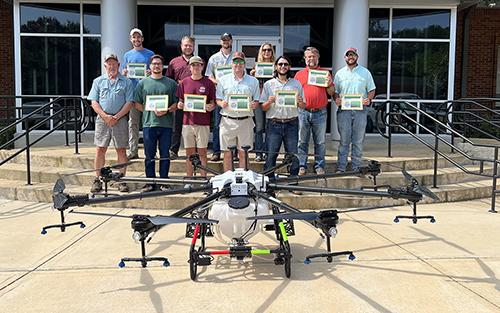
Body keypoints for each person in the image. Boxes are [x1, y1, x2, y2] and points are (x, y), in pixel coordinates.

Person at [88, 53, 134, 193]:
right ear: (105, 65)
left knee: (121, 149)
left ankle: (121, 179)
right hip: (103, 120)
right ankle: (97, 179)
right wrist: (105, 116)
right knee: (100, 149)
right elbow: (94, 102)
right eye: (109, 63)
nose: (112, 66)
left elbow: (129, 102)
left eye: (114, 63)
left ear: (118, 65)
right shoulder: (98, 81)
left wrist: (117, 117)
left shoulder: (126, 82)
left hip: (120, 120)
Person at [133, 54, 178, 192]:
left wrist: (167, 110)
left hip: (166, 125)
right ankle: (150, 182)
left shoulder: (171, 83)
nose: (156, 66)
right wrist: (150, 110)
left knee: (165, 154)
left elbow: (176, 103)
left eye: (159, 63)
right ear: (150, 66)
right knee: (149, 155)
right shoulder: (143, 83)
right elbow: (137, 103)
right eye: (154, 64)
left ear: (162, 66)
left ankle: (164, 181)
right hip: (149, 124)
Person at [260, 55, 305, 184]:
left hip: (292, 123)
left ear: (289, 67)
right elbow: (263, 107)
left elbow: (303, 105)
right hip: (274, 124)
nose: (283, 67)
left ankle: (293, 182)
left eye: (285, 64)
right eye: (280, 64)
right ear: (276, 67)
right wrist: (269, 101)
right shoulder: (269, 84)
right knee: (271, 154)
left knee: (293, 154)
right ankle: (269, 182)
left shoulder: (296, 84)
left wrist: (300, 102)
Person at [216, 51, 260, 172]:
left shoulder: (253, 81)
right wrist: (221, 103)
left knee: (243, 153)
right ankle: (228, 181)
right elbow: (218, 99)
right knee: (227, 153)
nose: (238, 64)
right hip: (227, 121)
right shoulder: (223, 80)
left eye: (240, 62)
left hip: (245, 121)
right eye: (235, 62)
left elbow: (256, 101)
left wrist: (253, 104)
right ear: (232, 64)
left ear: (244, 64)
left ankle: (244, 182)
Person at [334, 47, 376, 172]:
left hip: (360, 111)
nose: (350, 57)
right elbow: (335, 92)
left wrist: (368, 99)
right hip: (344, 111)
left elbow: (372, 90)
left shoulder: (365, 72)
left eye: (353, 55)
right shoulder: (339, 73)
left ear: (357, 57)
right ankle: (341, 167)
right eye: (348, 55)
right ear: (345, 57)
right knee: (344, 141)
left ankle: (356, 168)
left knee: (358, 141)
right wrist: (336, 99)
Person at [295, 46, 335, 175]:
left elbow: (331, 92)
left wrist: (329, 84)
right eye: (308, 56)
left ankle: (319, 166)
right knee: (302, 141)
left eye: (313, 56)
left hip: (320, 112)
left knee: (320, 142)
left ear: (318, 58)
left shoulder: (325, 73)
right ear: (305, 59)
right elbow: (294, 92)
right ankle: (302, 165)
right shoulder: (299, 74)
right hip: (303, 111)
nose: (311, 59)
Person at [176, 56, 216, 177]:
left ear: (202, 67)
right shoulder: (184, 82)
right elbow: (180, 101)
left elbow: (213, 103)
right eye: (193, 65)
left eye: (198, 65)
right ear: (189, 67)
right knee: (190, 153)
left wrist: (211, 106)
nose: (196, 67)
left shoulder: (208, 83)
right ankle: (189, 179)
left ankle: (203, 179)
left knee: (202, 153)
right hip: (188, 123)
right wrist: (180, 104)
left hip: (203, 123)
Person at [122, 28, 155, 160]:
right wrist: (124, 73)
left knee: (150, 124)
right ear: (131, 40)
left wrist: (150, 73)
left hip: (147, 93)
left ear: (142, 39)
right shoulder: (127, 55)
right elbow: (125, 72)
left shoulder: (150, 54)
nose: (136, 40)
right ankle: (133, 150)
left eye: (138, 37)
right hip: (133, 95)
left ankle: (151, 152)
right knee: (133, 123)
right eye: (134, 37)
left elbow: (155, 70)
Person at [205, 33, 234, 162]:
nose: (226, 42)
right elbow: (208, 75)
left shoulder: (236, 56)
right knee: (217, 124)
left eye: (228, 39)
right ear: (220, 42)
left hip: (234, 96)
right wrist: (218, 82)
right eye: (224, 40)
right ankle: (216, 152)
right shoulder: (214, 58)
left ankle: (234, 152)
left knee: (234, 122)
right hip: (219, 95)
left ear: (231, 41)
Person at [166, 36, 195, 160]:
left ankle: (194, 152)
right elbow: (168, 81)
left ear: (193, 46)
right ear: (181, 46)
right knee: (176, 125)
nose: (187, 47)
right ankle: (174, 149)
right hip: (179, 99)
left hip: (195, 100)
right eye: (185, 45)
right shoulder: (174, 62)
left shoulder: (198, 61)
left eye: (190, 45)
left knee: (194, 126)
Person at [250, 43, 276, 162]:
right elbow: (251, 85)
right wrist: (252, 76)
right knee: (259, 127)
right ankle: (259, 153)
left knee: (270, 127)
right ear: (261, 52)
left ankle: (267, 152)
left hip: (271, 100)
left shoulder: (276, 67)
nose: (266, 52)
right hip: (259, 100)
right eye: (264, 50)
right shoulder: (256, 67)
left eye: (269, 50)